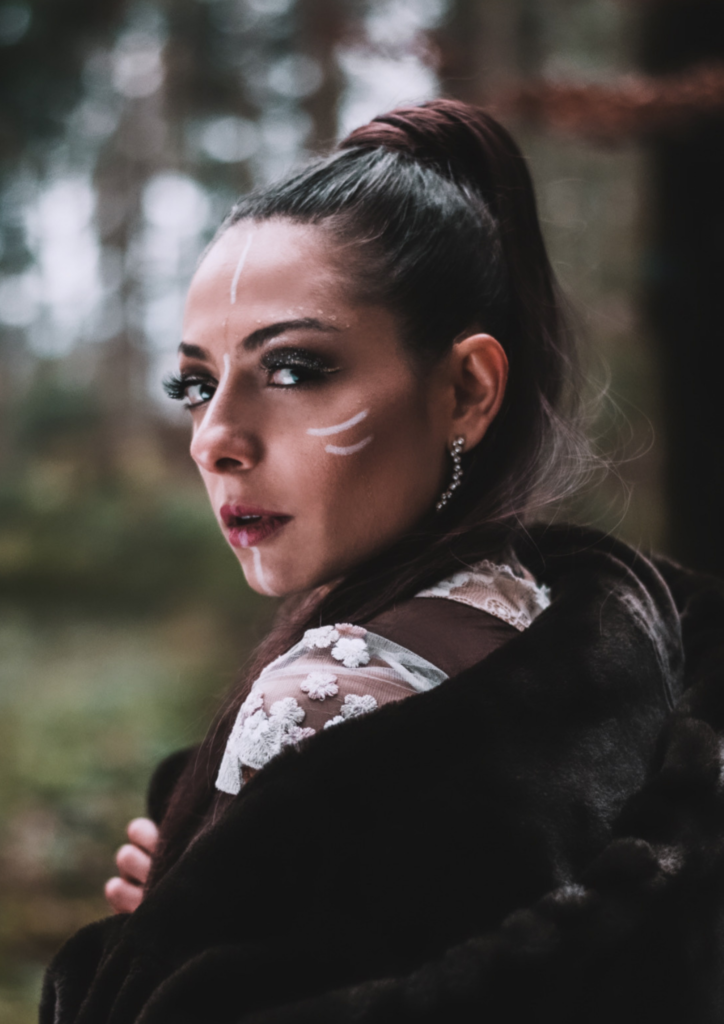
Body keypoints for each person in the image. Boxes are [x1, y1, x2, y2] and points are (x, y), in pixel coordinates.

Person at [40, 100, 724, 1024]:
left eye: (293, 368)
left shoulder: (330, 697)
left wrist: (146, 950)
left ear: (466, 391)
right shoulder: (567, 616)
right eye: (196, 384)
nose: (215, 439)